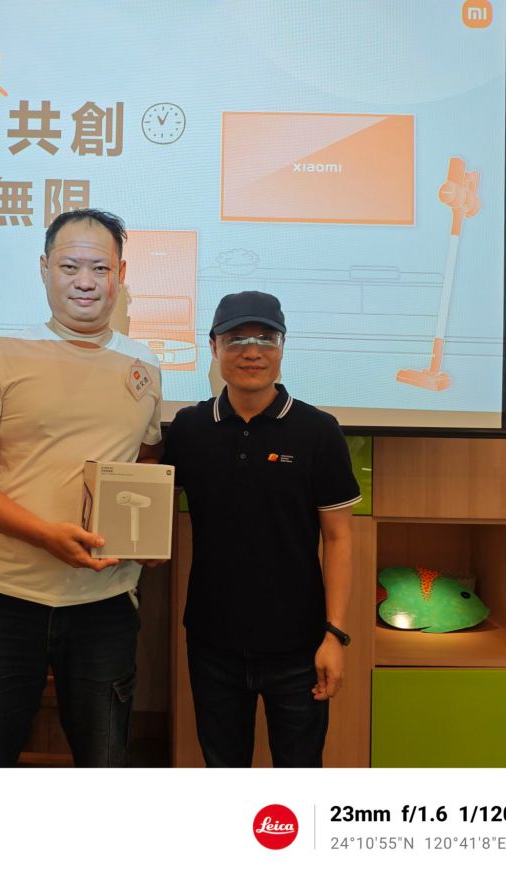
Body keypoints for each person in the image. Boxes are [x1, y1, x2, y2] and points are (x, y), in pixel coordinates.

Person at [0, 209, 162, 766]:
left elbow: (145, 457)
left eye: (99, 268)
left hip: (105, 603)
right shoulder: (0, 353)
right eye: (69, 266)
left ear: (120, 274)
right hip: (4, 598)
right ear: (44, 269)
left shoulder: (144, 363)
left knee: (103, 764)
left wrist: (144, 532)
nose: (85, 281)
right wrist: (44, 534)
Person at [162, 291, 359, 767]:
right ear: (213, 347)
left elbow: (338, 539)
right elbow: (150, 504)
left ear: (282, 346)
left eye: (266, 338)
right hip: (212, 641)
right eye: (236, 339)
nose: (252, 351)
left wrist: (334, 634)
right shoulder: (189, 428)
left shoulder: (318, 430)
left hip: (300, 645)